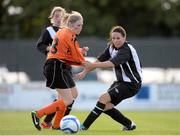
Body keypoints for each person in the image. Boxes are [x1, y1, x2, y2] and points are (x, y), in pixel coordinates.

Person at [76, 26, 142, 131]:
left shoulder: (126, 49)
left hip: (131, 84)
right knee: (105, 106)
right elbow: (98, 61)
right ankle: (129, 124)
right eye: (113, 38)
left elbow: (110, 63)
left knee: (103, 98)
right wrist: (84, 72)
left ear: (124, 38)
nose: (115, 40)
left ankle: (84, 127)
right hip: (120, 82)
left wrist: (92, 66)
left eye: (118, 38)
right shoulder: (111, 47)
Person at [31, 11, 88, 131]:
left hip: (59, 66)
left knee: (73, 94)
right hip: (56, 66)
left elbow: (70, 53)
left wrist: (80, 52)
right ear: (71, 24)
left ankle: (56, 125)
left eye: (82, 25)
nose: (81, 27)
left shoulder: (63, 31)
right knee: (68, 100)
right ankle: (38, 114)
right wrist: (91, 65)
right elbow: (76, 58)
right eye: (79, 25)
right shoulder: (68, 34)